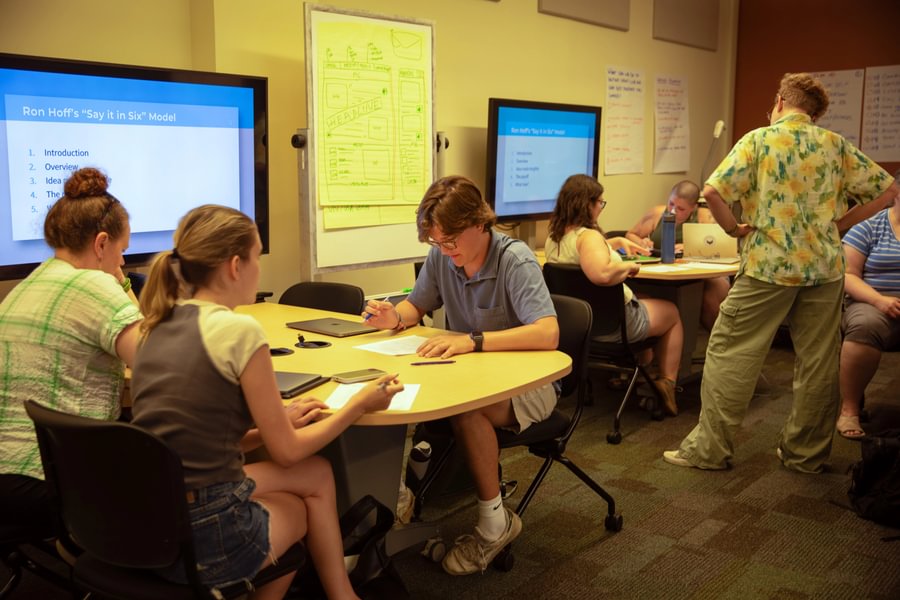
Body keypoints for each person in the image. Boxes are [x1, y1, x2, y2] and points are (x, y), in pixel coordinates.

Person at [131, 205, 403, 599]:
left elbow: (189, 441)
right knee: (299, 508)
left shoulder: (154, 326)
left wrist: (275, 423)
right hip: (205, 536)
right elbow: (288, 453)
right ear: (235, 265)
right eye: (257, 257)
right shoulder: (239, 330)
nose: (259, 268)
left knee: (317, 474)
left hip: (147, 522)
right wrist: (358, 404)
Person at [663, 72, 898, 473]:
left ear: (779, 102)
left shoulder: (758, 140)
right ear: (815, 113)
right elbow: (889, 191)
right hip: (824, 270)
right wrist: (839, 225)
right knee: (819, 361)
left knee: (731, 352)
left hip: (768, 267)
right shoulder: (836, 145)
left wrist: (733, 229)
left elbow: (715, 190)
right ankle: (804, 456)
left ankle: (709, 450)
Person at [362, 175, 559, 576]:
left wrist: (474, 340)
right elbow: (416, 307)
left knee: (471, 410)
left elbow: (548, 332)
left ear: (479, 222)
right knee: (386, 391)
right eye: (437, 242)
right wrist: (393, 316)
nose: (445, 250)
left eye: (451, 239)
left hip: (530, 383)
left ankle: (495, 525)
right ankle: (397, 498)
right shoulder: (443, 257)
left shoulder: (514, 260)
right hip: (470, 373)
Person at [0, 167, 142, 541]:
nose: (122, 263)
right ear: (100, 243)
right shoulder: (95, 283)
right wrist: (122, 283)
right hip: (48, 481)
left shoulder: (30, 283)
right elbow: (158, 365)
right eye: (122, 251)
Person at [544, 174, 684, 416]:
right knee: (671, 312)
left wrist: (614, 241)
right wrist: (627, 267)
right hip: (613, 327)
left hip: (581, 326)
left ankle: (630, 371)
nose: (600, 207)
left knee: (641, 295)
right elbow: (601, 274)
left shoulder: (554, 238)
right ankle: (667, 383)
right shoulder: (588, 237)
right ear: (587, 204)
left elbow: (584, 260)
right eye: (599, 202)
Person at [836, 175, 900, 439]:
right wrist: (879, 300)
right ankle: (849, 409)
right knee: (865, 326)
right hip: (872, 301)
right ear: (896, 195)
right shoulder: (869, 227)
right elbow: (847, 275)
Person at [626, 180, 730, 330]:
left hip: (705, 272)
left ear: (693, 208)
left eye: (681, 208)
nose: (673, 211)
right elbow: (631, 234)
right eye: (671, 204)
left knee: (710, 298)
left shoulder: (705, 217)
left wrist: (691, 247)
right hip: (665, 271)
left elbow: (723, 246)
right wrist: (641, 243)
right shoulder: (657, 213)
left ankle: (720, 342)